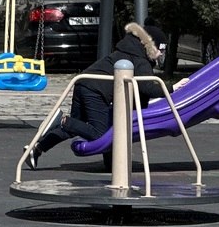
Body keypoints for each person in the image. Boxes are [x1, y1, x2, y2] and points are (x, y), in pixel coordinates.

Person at [28, 22, 167, 166]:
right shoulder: (140, 60)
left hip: (83, 82)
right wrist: (172, 88)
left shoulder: (128, 51)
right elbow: (148, 88)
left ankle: (37, 149)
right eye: (161, 49)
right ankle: (62, 120)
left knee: (76, 126)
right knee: (100, 134)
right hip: (95, 90)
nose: (161, 54)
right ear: (151, 46)